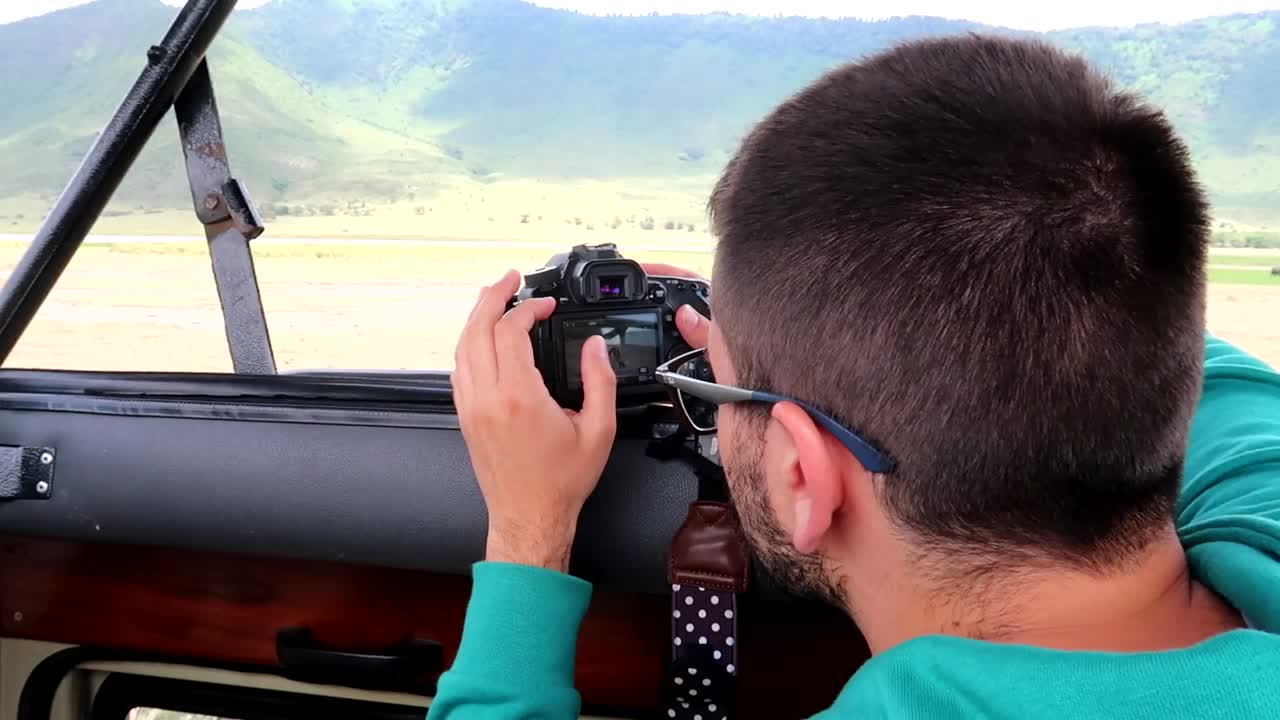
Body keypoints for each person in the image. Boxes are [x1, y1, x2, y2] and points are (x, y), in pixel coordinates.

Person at [430, 33, 1280, 719]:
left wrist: (527, 533)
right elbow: (1136, 329)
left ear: (805, 476)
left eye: (721, 391)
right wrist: (782, 324)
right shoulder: (1258, 520)